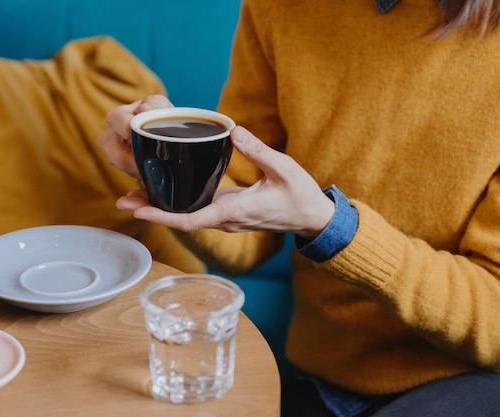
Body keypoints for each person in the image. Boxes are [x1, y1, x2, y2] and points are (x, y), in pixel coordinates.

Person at [97, 0, 500, 415]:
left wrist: (333, 227)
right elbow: (250, 240)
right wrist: (173, 175)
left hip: (469, 378)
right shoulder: (280, 9)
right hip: (320, 376)